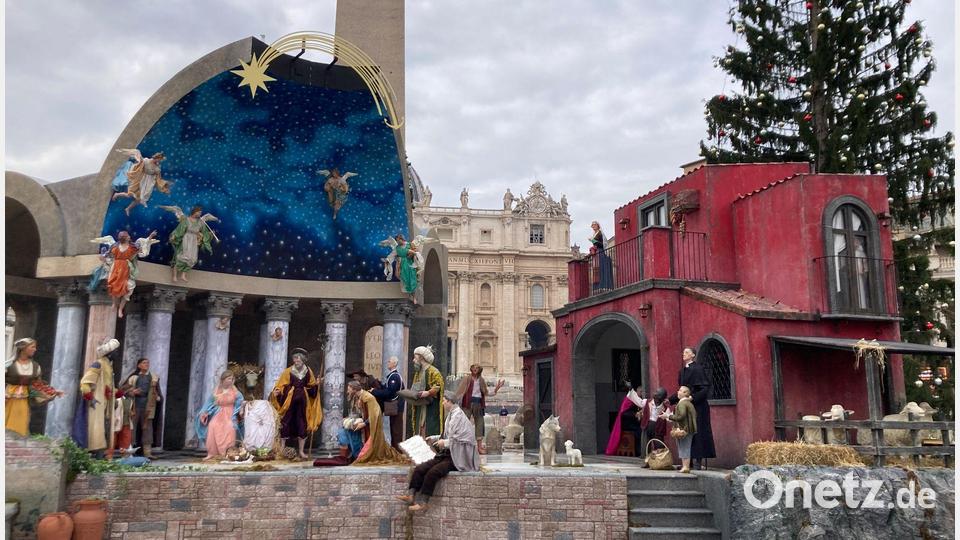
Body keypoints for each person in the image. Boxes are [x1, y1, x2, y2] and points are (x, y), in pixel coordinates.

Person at [397, 390, 479, 512]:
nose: (443, 404)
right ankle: (411, 495)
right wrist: (435, 438)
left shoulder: (459, 417)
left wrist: (444, 443)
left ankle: (424, 502)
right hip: (445, 454)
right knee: (421, 468)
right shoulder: (451, 415)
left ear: (450, 402)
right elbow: (447, 435)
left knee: (433, 472)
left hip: (456, 456)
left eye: (444, 401)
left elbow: (463, 439)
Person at [269, 348, 323, 460]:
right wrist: (277, 392)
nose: (296, 360)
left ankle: (302, 451)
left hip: (303, 403)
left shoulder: (308, 371)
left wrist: (316, 385)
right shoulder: (288, 371)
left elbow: (311, 386)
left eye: (298, 358)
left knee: (302, 424)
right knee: (285, 423)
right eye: (294, 358)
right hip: (289, 402)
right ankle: (282, 449)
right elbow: (280, 384)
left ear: (303, 359)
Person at [669, 347, 716, 469]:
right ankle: (687, 463)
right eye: (683, 352)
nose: (683, 354)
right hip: (685, 407)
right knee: (685, 432)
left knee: (698, 432)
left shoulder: (698, 369)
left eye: (687, 352)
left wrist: (692, 398)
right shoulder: (682, 371)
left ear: (693, 355)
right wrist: (669, 400)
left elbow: (704, 389)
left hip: (698, 407)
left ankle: (697, 462)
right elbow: (682, 390)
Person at [4, 338, 62, 436]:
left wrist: (53, 392)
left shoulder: (35, 367)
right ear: (23, 348)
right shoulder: (9, 364)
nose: (35, 349)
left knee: (20, 427)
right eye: (32, 347)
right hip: (7, 400)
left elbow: (37, 384)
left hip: (23, 401)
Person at [75, 339, 121, 454]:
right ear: (110, 352)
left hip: (105, 402)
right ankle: (91, 454)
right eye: (116, 351)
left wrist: (119, 392)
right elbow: (85, 382)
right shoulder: (98, 364)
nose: (118, 353)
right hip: (96, 401)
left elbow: (107, 386)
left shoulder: (108, 366)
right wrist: (91, 397)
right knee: (94, 428)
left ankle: (100, 454)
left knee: (103, 428)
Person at [104, 230, 159, 318]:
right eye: (127, 236)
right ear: (124, 238)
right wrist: (104, 257)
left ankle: (120, 309)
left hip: (126, 269)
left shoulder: (132, 247)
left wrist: (150, 237)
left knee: (128, 288)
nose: (129, 237)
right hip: (116, 269)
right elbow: (108, 254)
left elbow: (143, 245)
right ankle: (114, 304)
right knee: (113, 287)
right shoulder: (115, 246)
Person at [160, 205, 219, 282]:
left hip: (194, 241)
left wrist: (210, 234)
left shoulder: (200, 222)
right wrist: (174, 236)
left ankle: (183, 275)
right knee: (181, 256)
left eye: (201, 212)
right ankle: (174, 276)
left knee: (192, 259)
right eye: (199, 212)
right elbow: (180, 229)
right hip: (186, 239)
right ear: (195, 212)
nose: (200, 214)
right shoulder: (186, 220)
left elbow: (204, 233)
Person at [455, 364, 504, 454]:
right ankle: (461, 445)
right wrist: (456, 402)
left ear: (480, 370)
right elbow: (460, 391)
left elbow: (486, 393)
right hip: (467, 403)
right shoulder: (467, 379)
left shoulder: (481, 380)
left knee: (480, 424)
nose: (475, 369)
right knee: (463, 423)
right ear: (471, 369)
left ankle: (479, 447)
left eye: (477, 368)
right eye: (474, 368)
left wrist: (497, 388)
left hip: (478, 403)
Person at [196, 370, 245, 461]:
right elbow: (209, 403)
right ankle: (212, 453)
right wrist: (204, 412)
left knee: (230, 426)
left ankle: (227, 452)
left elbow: (240, 403)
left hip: (231, 413)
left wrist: (239, 412)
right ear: (223, 380)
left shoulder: (235, 392)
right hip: (218, 413)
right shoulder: (216, 391)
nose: (230, 381)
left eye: (232, 379)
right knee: (212, 425)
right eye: (229, 379)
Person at [120, 358, 163, 458]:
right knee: (131, 429)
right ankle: (127, 452)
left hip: (148, 407)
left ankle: (147, 452)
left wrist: (157, 397)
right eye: (144, 363)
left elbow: (157, 391)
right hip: (135, 406)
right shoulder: (133, 377)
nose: (146, 364)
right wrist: (132, 392)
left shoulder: (153, 377)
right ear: (139, 365)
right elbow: (123, 390)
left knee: (147, 429)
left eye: (148, 363)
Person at [112, 149, 173, 216]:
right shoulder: (146, 161)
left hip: (146, 184)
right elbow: (139, 165)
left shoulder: (157, 168)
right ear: (157, 158)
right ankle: (117, 195)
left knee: (139, 199)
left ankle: (128, 208)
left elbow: (158, 179)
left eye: (160, 160)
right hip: (139, 180)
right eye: (159, 160)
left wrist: (164, 187)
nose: (159, 161)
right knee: (129, 195)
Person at [401, 346, 444, 438]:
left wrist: (428, 393)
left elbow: (438, 386)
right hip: (420, 405)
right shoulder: (418, 372)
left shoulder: (434, 371)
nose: (413, 360)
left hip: (430, 408)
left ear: (421, 358)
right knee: (419, 429)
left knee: (428, 430)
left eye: (415, 358)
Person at [371, 356, 405, 451]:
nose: (388, 362)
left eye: (389, 361)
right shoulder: (392, 376)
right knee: (393, 428)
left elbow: (389, 392)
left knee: (396, 430)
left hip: (396, 406)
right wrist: (379, 385)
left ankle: (397, 452)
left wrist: (374, 392)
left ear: (394, 363)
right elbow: (387, 389)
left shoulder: (395, 376)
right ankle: (395, 450)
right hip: (394, 406)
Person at [664, 386, 697, 473]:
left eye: (681, 391)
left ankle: (686, 466)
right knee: (684, 447)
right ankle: (685, 466)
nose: (678, 392)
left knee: (684, 447)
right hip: (688, 429)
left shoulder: (682, 404)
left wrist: (668, 416)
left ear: (685, 393)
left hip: (684, 429)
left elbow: (681, 416)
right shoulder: (688, 403)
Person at [604, 385, 645, 456]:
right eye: (641, 392)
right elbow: (624, 413)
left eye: (642, 392)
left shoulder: (637, 399)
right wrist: (635, 414)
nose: (642, 394)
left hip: (632, 421)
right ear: (636, 392)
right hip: (626, 423)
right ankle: (639, 452)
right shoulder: (630, 399)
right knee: (639, 430)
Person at [589, 221, 614, 292]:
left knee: (601, 268)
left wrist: (593, 241)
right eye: (592, 225)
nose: (593, 227)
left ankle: (603, 286)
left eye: (594, 225)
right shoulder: (595, 234)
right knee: (597, 270)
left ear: (598, 226)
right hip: (596, 253)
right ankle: (597, 287)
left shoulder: (600, 233)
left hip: (601, 252)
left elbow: (602, 244)